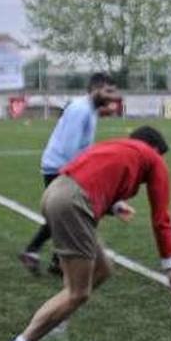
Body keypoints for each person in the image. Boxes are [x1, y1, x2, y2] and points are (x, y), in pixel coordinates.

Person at [0, 127, 171, 341]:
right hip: (73, 205)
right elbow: (161, 219)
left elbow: (94, 177)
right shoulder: (152, 159)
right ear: (154, 149)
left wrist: (115, 206)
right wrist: (170, 268)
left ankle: (56, 330)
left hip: (56, 193)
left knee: (102, 269)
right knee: (78, 292)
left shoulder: (116, 146)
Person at [18, 72, 119, 276]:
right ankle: (40, 254)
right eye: (108, 91)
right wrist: (81, 176)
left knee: (64, 215)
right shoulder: (81, 110)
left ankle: (49, 258)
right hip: (60, 167)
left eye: (113, 92)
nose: (112, 96)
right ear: (95, 89)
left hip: (65, 167)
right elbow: (69, 149)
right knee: (68, 215)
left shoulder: (89, 107)